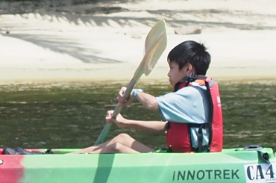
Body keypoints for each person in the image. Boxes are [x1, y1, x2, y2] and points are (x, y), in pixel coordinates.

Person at [79, 39, 223, 154]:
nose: (168, 74)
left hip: (189, 162)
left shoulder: (191, 94)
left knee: (117, 147)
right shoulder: (196, 91)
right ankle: (68, 160)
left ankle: (70, 164)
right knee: (122, 138)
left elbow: (151, 104)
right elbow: (167, 127)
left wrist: (135, 93)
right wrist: (124, 122)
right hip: (180, 157)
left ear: (187, 68)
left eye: (172, 68)